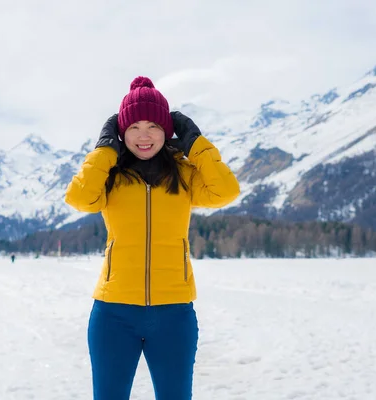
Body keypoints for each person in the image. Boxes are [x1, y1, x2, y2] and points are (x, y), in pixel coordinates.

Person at [64, 76, 240, 400]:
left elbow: (226, 190)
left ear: (167, 130)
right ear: (121, 132)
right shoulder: (110, 176)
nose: (143, 136)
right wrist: (105, 150)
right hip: (113, 314)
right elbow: (79, 197)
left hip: (174, 314)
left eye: (153, 126)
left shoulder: (185, 175)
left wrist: (195, 143)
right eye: (133, 127)